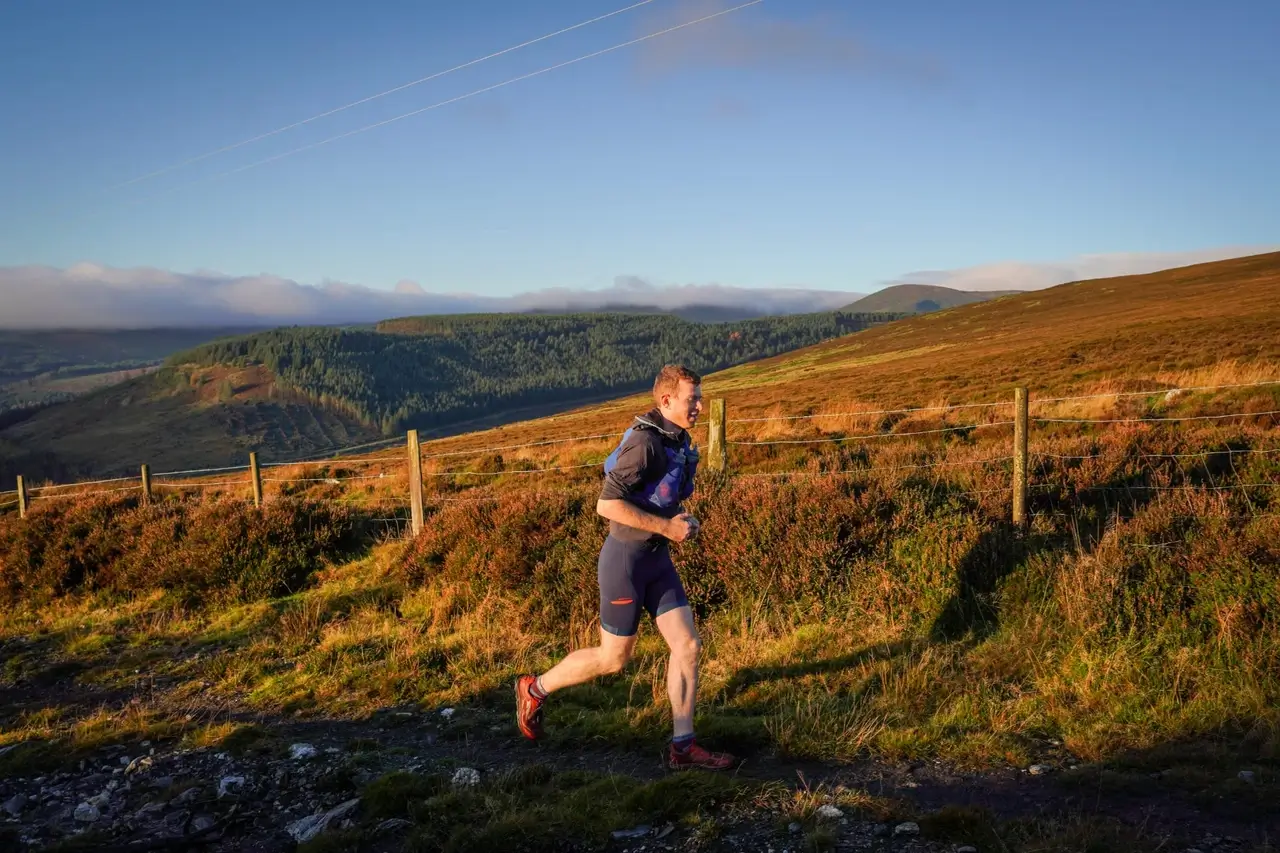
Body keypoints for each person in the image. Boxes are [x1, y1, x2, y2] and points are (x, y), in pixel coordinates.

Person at [514, 364, 735, 771]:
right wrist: (667, 527)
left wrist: (681, 520)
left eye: (701, 398)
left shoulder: (678, 439)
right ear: (666, 400)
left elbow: (657, 497)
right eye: (693, 399)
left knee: (687, 646)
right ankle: (535, 687)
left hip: (656, 559)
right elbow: (607, 505)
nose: (701, 406)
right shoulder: (644, 444)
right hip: (625, 563)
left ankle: (683, 749)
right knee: (614, 659)